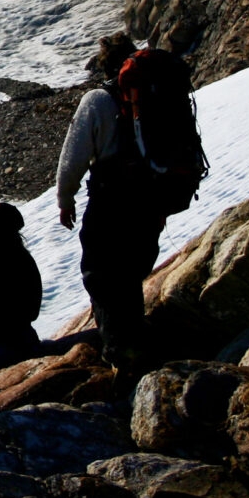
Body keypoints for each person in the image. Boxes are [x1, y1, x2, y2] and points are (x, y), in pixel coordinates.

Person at [56, 32, 164, 382]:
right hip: (151, 199)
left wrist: (65, 199)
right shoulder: (155, 92)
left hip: (111, 200)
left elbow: (73, 158)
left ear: (103, 63)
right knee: (131, 272)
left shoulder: (98, 100)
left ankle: (122, 359)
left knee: (101, 276)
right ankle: (138, 345)